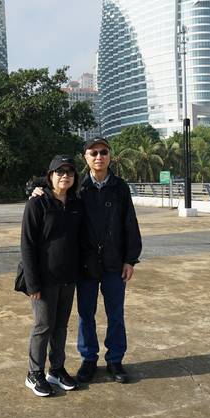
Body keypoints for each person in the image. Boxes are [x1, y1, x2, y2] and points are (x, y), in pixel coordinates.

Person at [76, 137, 142, 384]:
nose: (99, 157)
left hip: (114, 263)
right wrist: (37, 191)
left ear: (110, 156)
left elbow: (130, 223)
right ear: (85, 157)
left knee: (115, 314)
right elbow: (54, 191)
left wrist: (130, 260)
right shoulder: (78, 187)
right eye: (93, 153)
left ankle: (115, 360)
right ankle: (88, 359)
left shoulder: (120, 187)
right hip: (86, 264)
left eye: (103, 152)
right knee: (86, 314)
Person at [20, 155, 84, 397]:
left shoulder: (76, 203)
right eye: (60, 172)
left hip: (68, 277)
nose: (65, 176)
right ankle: (34, 373)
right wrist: (32, 283)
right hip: (44, 280)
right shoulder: (37, 204)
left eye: (69, 172)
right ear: (50, 176)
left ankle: (56, 369)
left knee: (61, 326)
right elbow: (27, 245)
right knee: (43, 326)